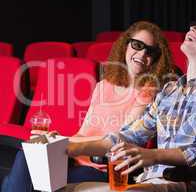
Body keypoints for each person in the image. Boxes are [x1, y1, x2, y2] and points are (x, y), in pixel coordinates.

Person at [66, 8, 196, 192]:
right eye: (195, 25)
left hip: (186, 182)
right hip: (148, 181)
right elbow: (128, 135)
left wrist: (154, 155)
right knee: (67, 189)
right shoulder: (169, 91)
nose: (194, 28)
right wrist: (70, 147)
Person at [1, 21, 176, 192]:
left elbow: (119, 140)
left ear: (156, 58)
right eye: (137, 45)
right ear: (126, 45)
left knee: (17, 179)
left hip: (104, 167)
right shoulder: (104, 86)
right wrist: (57, 140)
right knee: (25, 156)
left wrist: (62, 141)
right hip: (74, 158)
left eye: (150, 51)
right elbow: (83, 132)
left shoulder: (147, 92)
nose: (142, 53)